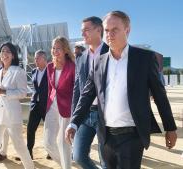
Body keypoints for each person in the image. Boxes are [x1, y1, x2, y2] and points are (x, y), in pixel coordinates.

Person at [66, 11, 177, 169]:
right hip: (106, 134)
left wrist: (170, 127)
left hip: (132, 134)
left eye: (115, 29)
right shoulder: (99, 62)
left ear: (127, 30)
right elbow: (86, 94)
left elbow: (160, 95)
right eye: (107, 31)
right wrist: (74, 122)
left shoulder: (144, 58)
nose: (109, 34)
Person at [0, 42, 34, 169]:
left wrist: (4, 92)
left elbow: (23, 93)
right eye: (2, 51)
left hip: (12, 115)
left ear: (13, 55)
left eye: (7, 51)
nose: (4, 54)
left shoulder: (19, 71)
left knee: (20, 147)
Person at [71, 16, 109, 169]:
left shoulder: (111, 52)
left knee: (106, 160)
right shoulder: (81, 58)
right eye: (82, 31)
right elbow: (77, 88)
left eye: (86, 30)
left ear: (99, 30)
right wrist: (74, 117)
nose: (83, 34)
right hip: (85, 115)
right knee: (78, 156)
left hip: (105, 115)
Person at [44, 36, 75, 169]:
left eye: (58, 48)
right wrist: (47, 106)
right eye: (53, 48)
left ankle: (66, 166)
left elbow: (76, 89)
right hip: (52, 106)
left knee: (64, 143)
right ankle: (64, 165)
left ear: (65, 50)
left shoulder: (72, 67)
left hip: (67, 108)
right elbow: (51, 89)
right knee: (48, 142)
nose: (55, 51)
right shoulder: (50, 66)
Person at [26, 50, 49, 159]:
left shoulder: (51, 70)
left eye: (38, 58)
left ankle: (51, 150)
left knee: (49, 129)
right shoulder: (34, 71)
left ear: (44, 59)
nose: (35, 60)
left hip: (47, 105)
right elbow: (36, 88)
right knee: (30, 128)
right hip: (35, 104)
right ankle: (29, 151)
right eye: (35, 58)